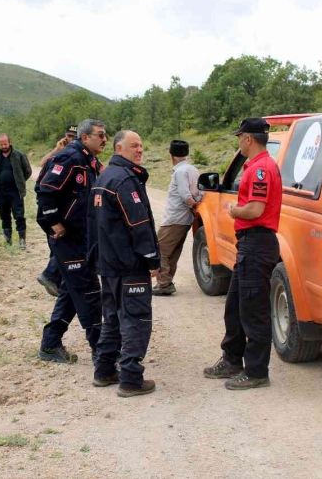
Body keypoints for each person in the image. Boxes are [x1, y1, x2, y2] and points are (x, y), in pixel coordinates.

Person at [202, 118, 281, 390]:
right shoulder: (257, 166)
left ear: (248, 138)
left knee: (253, 310)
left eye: (240, 137)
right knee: (235, 305)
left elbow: (256, 210)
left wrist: (235, 210)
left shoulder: (260, 169)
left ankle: (257, 371)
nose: (239, 142)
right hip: (250, 245)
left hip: (257, 244)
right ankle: (232, 359)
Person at [90, 130, 160, 397]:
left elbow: (92, 225)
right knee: (136, 320)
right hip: (129, 265)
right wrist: (152, 259)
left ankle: (104, 370)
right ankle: (130, 379)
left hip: (108, 266)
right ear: (119, 148)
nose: (139, 150)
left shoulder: (104, 177)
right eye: (134, 146)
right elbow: (138, 224)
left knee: (112, 319)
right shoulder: (124, 179)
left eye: (141, 145)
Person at [35, 119, 107, 363]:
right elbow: (45, 190)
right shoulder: (70, 158)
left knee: (71, 291)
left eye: (106, 135)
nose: (104, 139)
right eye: (100, 135)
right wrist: (53, 222)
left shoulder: (88, 160)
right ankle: (102, 354)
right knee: (89, 293)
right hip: (68, 240)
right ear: (85, 137)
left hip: (82, 238)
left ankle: (50, 344)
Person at [153, 139, 202, 296]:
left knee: (159, 249)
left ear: (171, 155)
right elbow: (199, 192)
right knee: (173, 251)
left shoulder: (180, 172)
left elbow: (185, 195)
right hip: (185, 219)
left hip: (174, 218)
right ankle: (166, 281)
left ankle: (163, 284)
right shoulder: (193, 169)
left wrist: (192, 205)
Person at [36, 125, 78, 297]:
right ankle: (51, 276)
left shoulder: (78, 155)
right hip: (53, 210)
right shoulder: (60, 156)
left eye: (74, 136)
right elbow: (42, 166)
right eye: (69, 135)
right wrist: (56, 149)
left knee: (59, 246)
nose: (71, 139)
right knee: (62, 245)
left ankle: (56, 281)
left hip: (61, 208)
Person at [0, 133, 32, 249]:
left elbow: (28, 171)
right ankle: (8, 241)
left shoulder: (19, 155)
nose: (4, 146)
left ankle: (22, 241)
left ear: (10, 142)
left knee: (19, 216)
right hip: (1, 193)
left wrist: (20, 181)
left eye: (5, 143)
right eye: (1, 144)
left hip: (15, 192)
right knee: (4, 217)